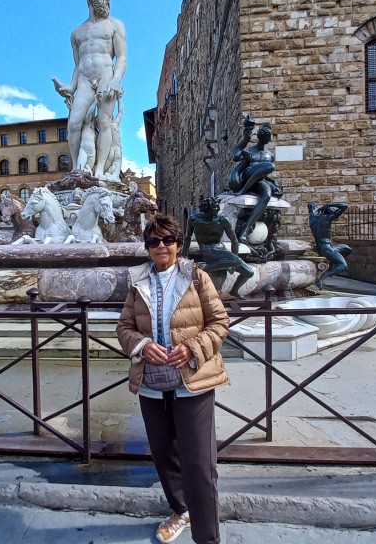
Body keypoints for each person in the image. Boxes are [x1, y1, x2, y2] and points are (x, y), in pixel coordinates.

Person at [117, 214, 230, 544]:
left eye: (167, 240)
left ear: (178, 244)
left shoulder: (196, 277)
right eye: (153, 241)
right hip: (151, 381)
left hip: (192, 379)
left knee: (199, 463)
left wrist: (192, 348)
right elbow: (124, 327)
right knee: (163, 453)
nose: (161, 246)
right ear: (147, 247)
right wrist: (142, 345)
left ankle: (207, 537)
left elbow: (219, 322)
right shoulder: (138, 282)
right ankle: (181, 511)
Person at [52, 0, 127, 178]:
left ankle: (100, 170)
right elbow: (78, 65)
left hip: (106, 76)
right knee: (74, 123)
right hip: (84, 79)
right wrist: (70, 87)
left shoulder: (115, 25)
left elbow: (121, 57)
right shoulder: (77, 33)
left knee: (104, 121)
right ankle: (77, 169)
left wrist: (116, 79)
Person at [182, 196, 254, 299]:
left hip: (221, 249)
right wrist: (184, 256)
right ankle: (204, 267)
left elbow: (234, 240)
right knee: (237, 260)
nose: (217, 210)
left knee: (249, 272)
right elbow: (187, 238)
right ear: (207, 209)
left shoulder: (222, 220)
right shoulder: (194, 219)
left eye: (217, 207)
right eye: (214, 208)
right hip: (207, 250)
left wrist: (233, 261)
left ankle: (234, 291)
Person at [227, 116, 283, 244]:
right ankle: (243, 190)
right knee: (270, 166)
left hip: (258, 182)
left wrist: (273, 183)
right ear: (261, 137)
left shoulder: (270, 155)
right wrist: (244, 142)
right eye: (267, 137)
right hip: (245, 178)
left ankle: (245, 230)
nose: (268, 139)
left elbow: (264, 174)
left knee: (267, 194)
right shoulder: (250, 151)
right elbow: (236, 157)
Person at [308, 201, 351, 289]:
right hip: (326, 248)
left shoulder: (312, 218)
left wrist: (313, 206)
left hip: (322, 246)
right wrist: (328, 205)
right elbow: (344, 205)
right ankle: (322, 278)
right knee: (343, 265)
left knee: (347, 248)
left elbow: (310, 206)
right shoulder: (327, 218)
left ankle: (331, 263)